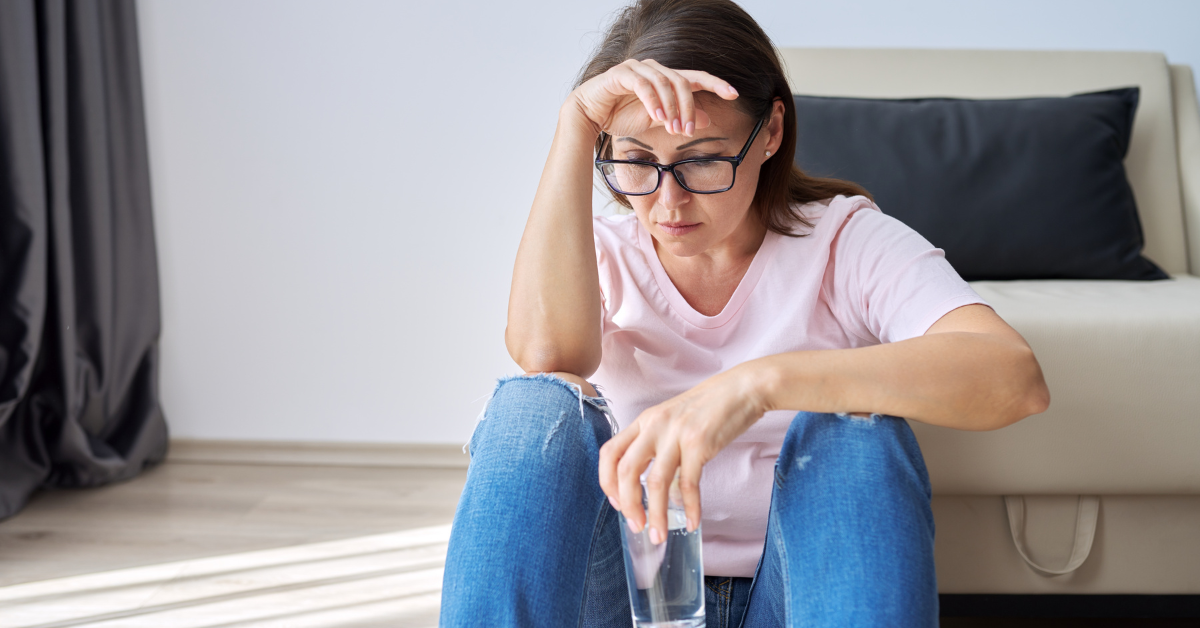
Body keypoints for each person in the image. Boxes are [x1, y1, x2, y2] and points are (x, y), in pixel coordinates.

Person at [440, 0, 1050, 626]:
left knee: (855, 433)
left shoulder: (845, 241)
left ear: (771, 133)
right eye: (636, 160)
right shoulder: (599, 252)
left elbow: (1013, 377)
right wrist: (574, 123)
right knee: (533, 406)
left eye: (702, 158)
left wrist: (760, 385)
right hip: (637, 595)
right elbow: (547, 360)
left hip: (793, 600)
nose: (667, 200)